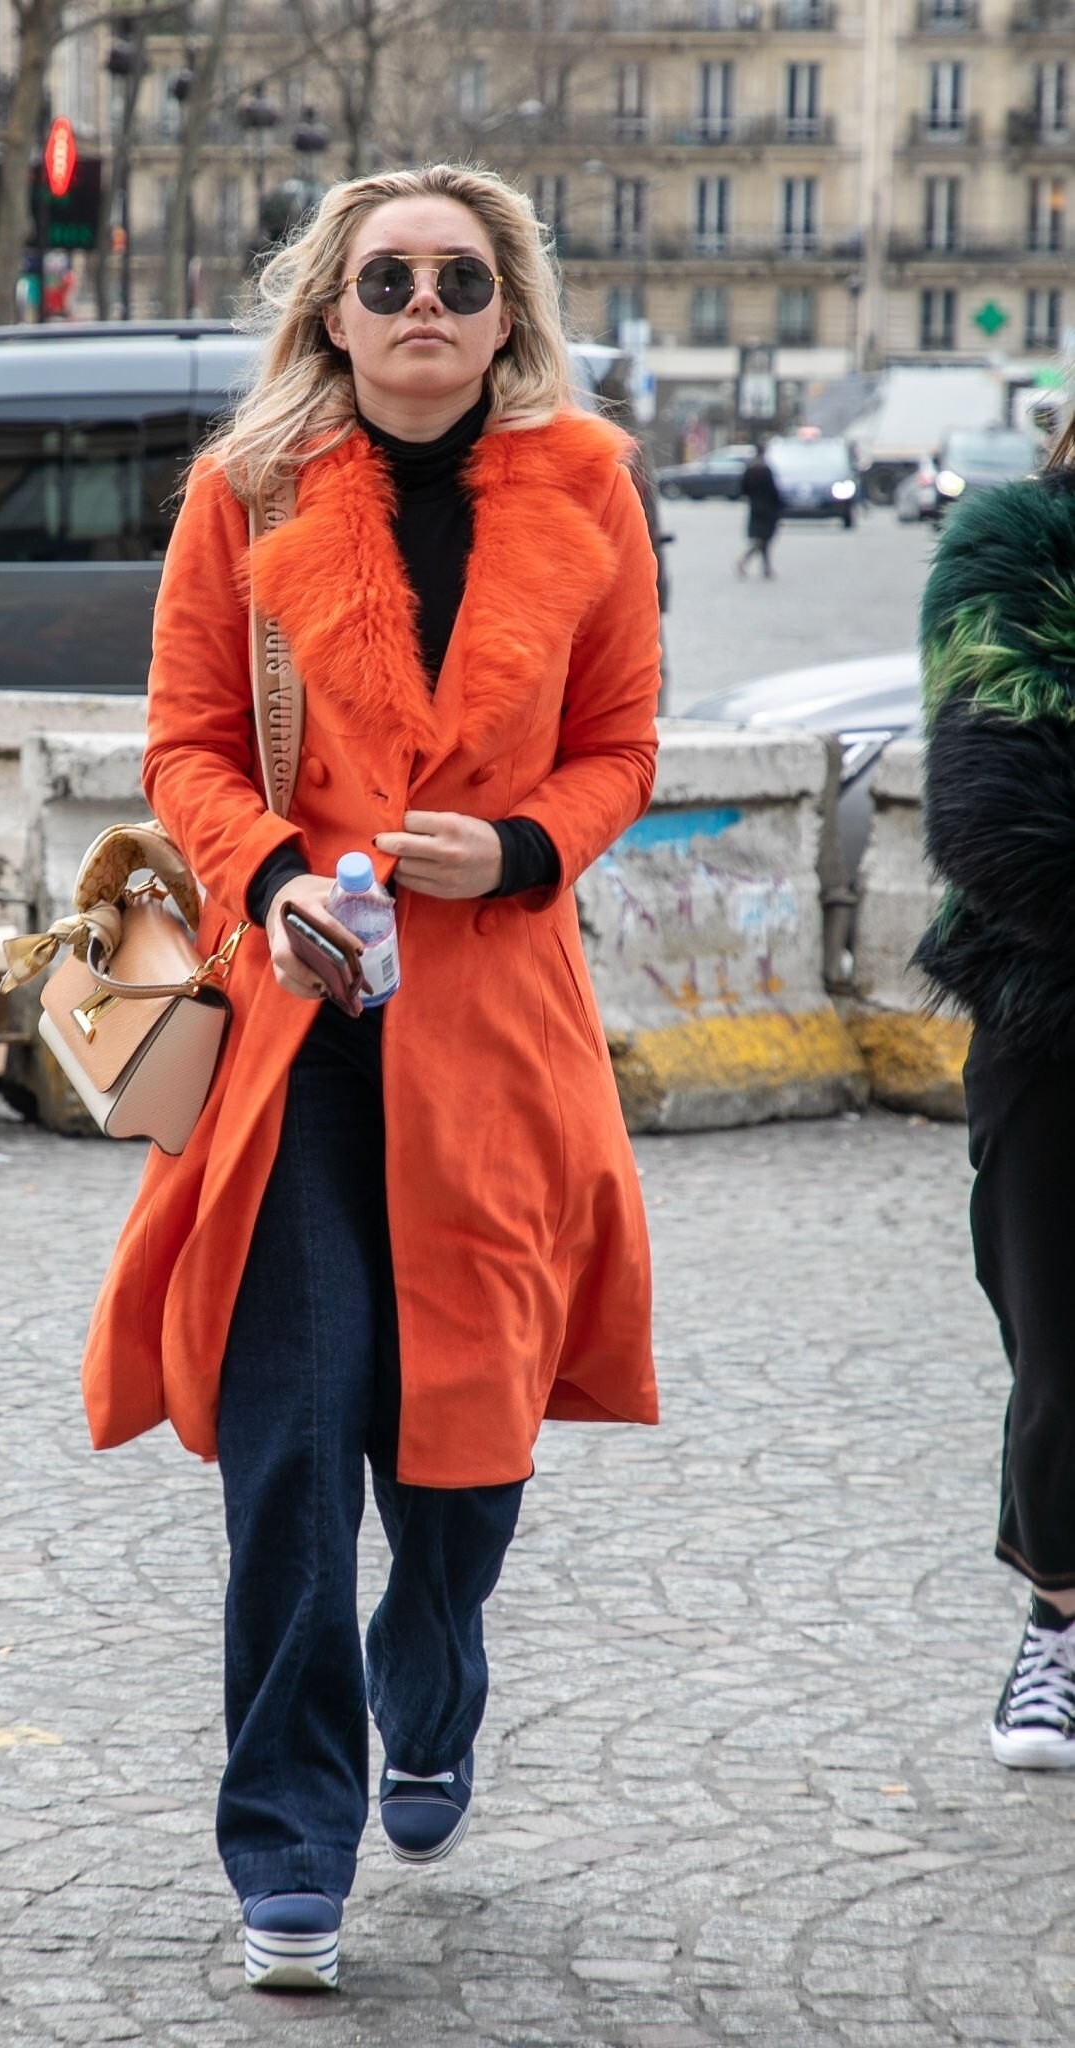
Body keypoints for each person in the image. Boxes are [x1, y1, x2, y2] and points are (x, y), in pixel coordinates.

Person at [80, 162, 662, 1988]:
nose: (424, 306)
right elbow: (183, 739)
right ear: (330, 309)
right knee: (295, 1451)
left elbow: (622, 740)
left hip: (494, 1036)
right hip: (293, 1042)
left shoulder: (590, 488)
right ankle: (287, 1842)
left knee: (464, 1454)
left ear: (508, 317)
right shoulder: (245, 489)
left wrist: (525, 848)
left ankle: (434, 1658)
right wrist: (265, 879)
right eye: (388, 277)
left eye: (460, 281)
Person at [913, 407, 1075, 1770]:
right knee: (1062, 1346)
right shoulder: (1019, 553)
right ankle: (1058, 1622)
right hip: (1055, 1018)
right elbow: (988, 813)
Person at [735, 438, 784, 578]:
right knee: (762, 540)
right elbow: (773, 491)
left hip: (755, 507)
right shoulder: (765, 469)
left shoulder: (750, 468)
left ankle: (766, 568)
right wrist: (780, 506)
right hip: (767, 508)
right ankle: (745, 561)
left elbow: (743, 489)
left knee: (762, 540)